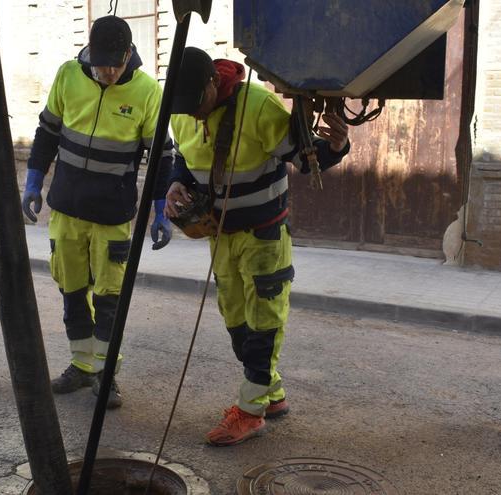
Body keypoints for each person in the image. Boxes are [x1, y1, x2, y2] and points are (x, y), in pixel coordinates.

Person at [165, 47, 350, 446]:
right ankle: (272, 394)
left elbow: (307, 158)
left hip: (264, 235)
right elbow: (181, 159)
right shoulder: (182, 109)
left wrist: (335, 146)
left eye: (196, 104)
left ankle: (250, 413)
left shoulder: (260, 106)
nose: (192, 114)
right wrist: (175, 183)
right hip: (220, 237)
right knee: (236, 321)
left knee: (264, 321)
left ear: (213, 82)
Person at [21, 15, 174, 409]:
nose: (107, 73)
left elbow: (161, 156)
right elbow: (48, 132)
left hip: (113, 214)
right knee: (71, 291)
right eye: (101, 64)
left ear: (129, 55)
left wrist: (161, 210)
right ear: (89, 54)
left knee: (109, 298)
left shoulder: (146, 92)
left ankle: (106, 375)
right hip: (67, 208)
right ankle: (81, 365)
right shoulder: (69, 75)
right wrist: (34, 181)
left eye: (115, 64)